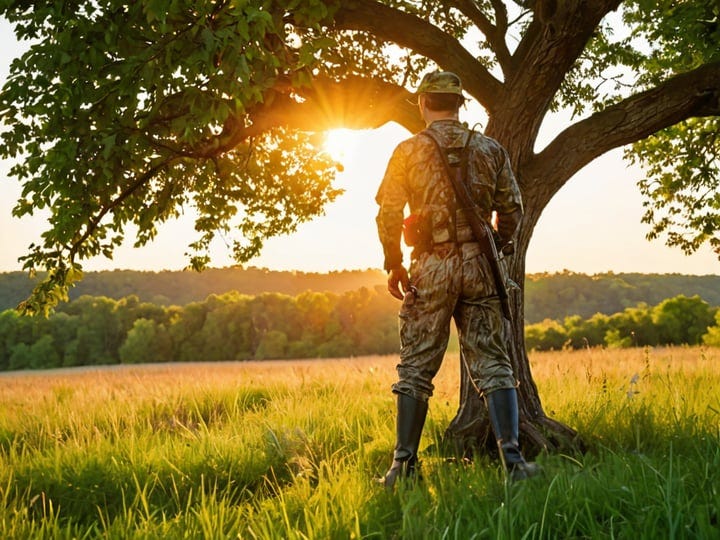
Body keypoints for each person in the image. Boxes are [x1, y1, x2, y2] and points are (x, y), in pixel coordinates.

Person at [375, 71, 540, 487]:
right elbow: (513, 210)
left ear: (423, 103)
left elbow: (388, 213)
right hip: (480, 267)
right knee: (494, 363)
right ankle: (514, 461)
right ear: (459, 104)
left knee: (415, 366)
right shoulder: (490, 149)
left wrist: (394, 262)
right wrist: (496, 248)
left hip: (430, 266)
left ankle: (402, 467)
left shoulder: (408, 150)